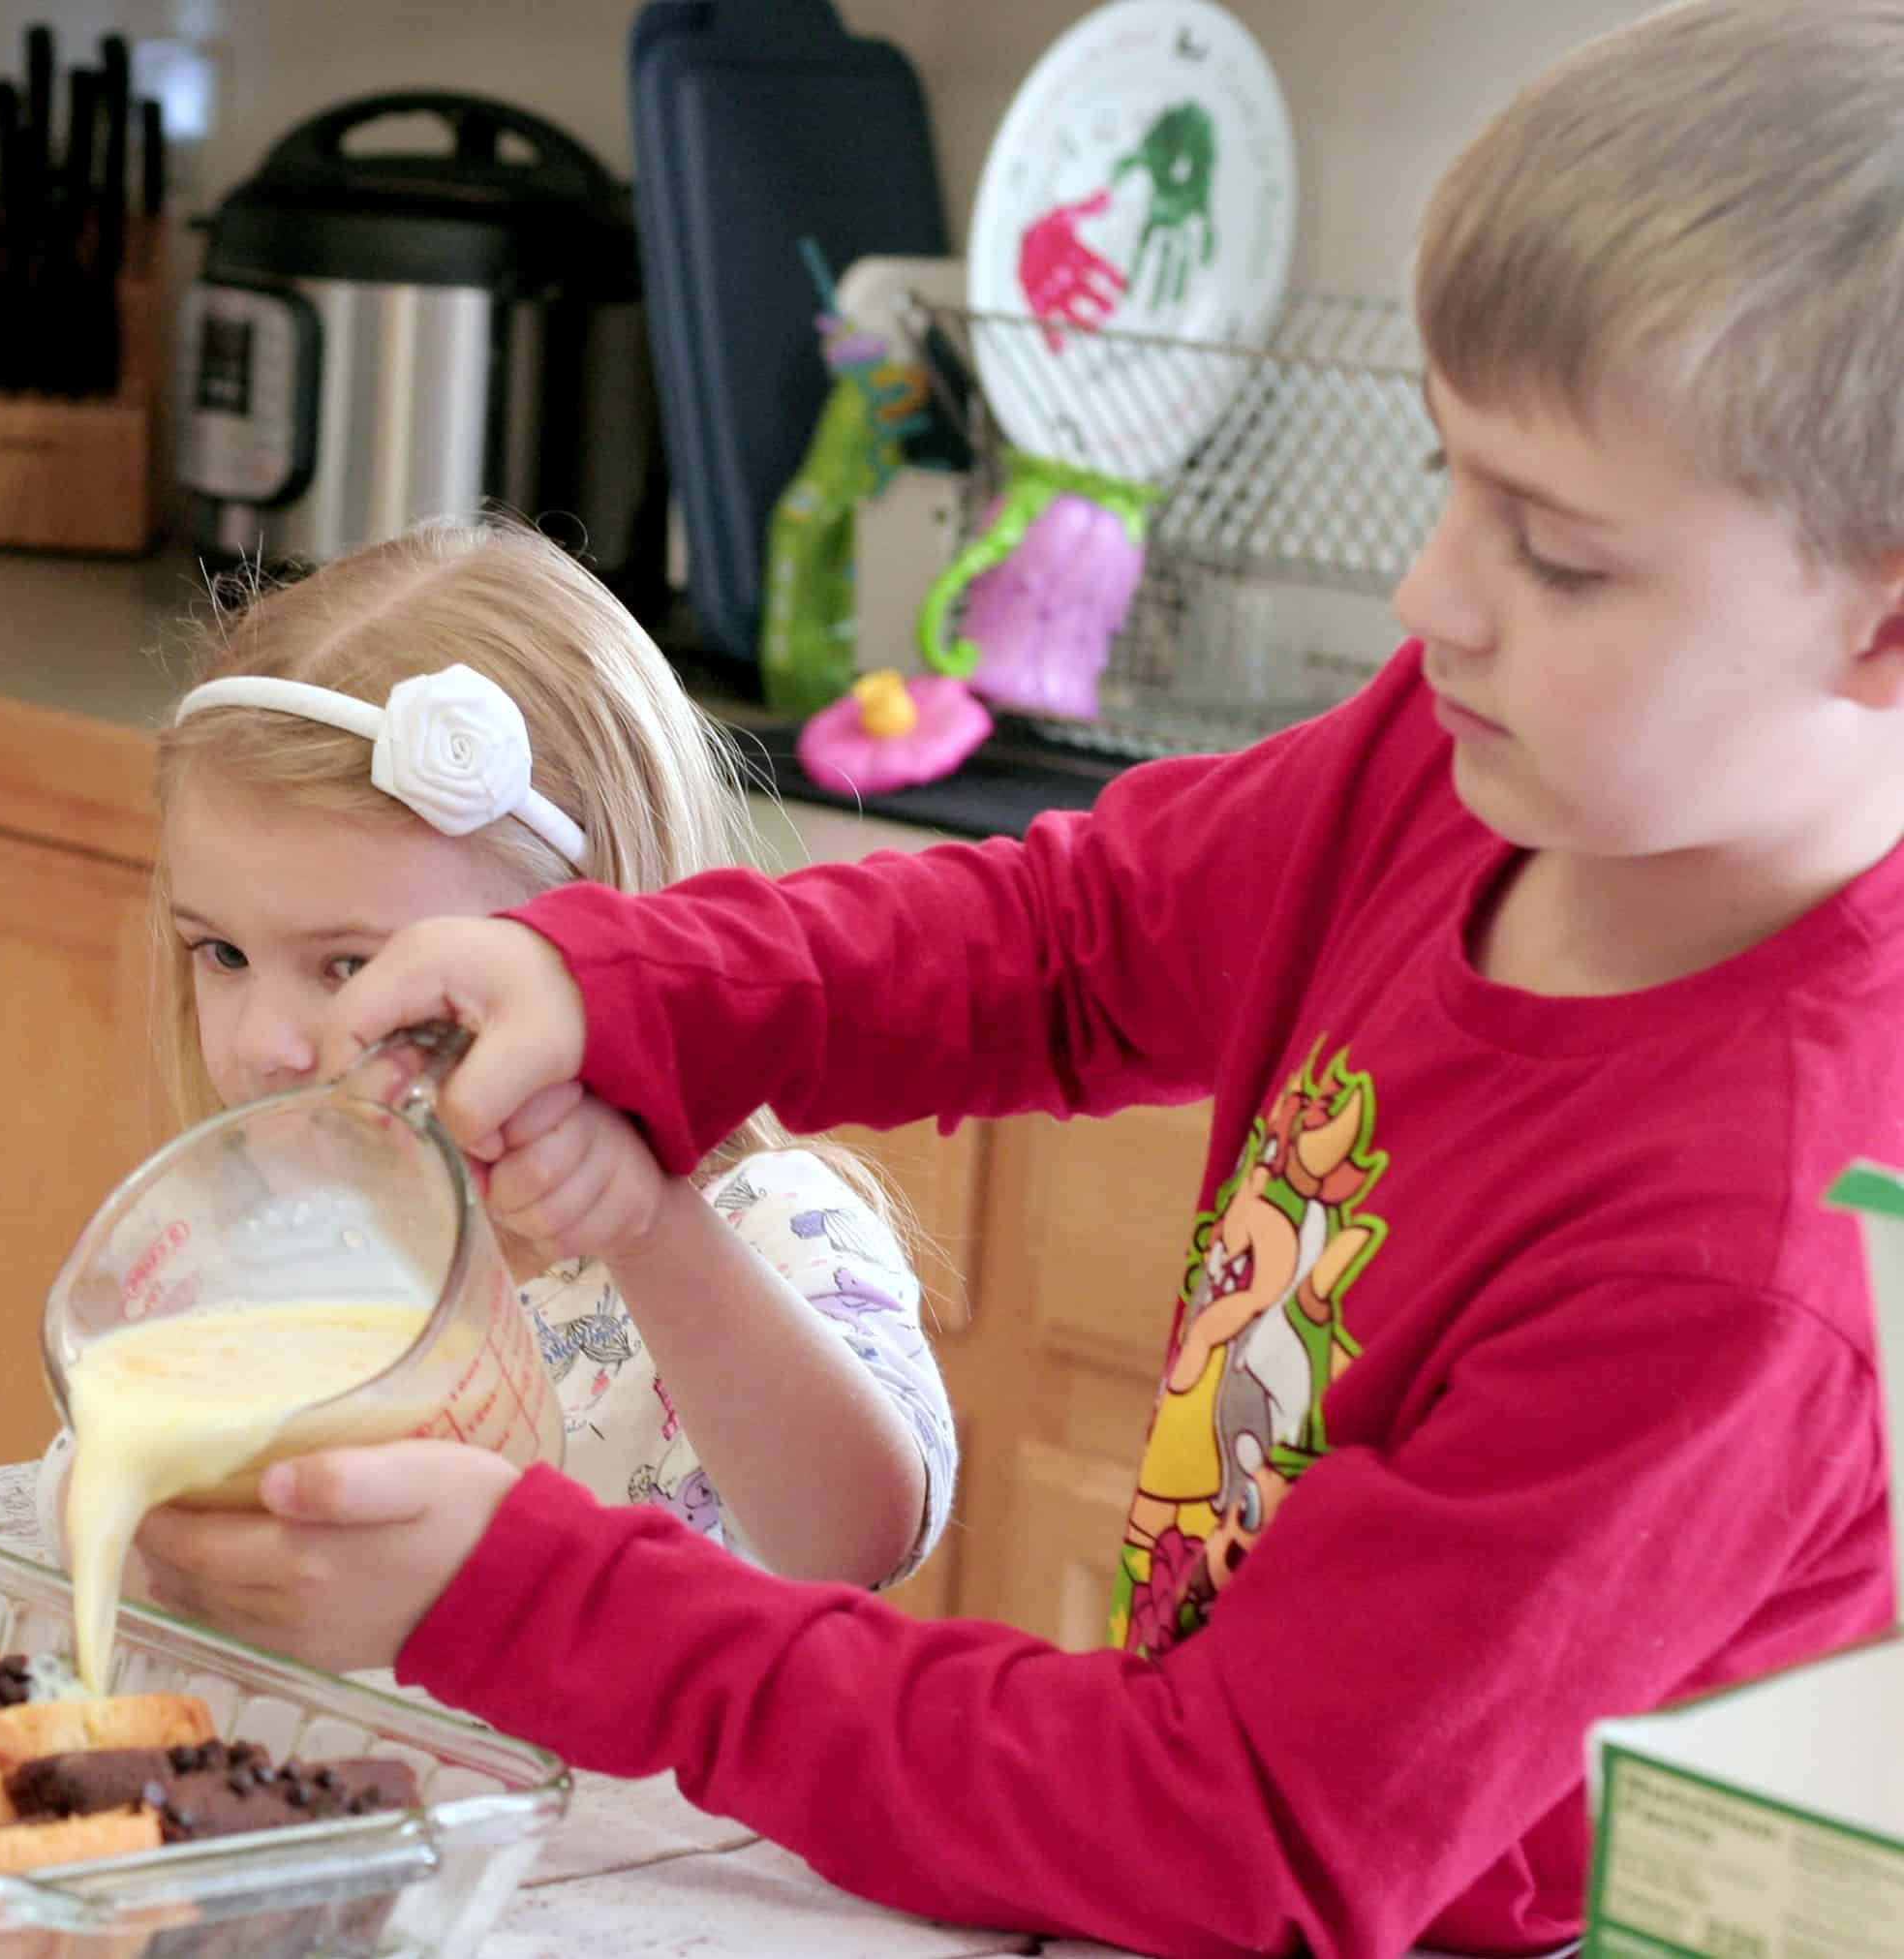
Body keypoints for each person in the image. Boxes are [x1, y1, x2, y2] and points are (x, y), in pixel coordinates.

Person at [130, 5, 1904, 1953]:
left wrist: (520, 1595)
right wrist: (641, 988)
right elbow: (1068, 944)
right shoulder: (1473, 769)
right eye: (1449, 477)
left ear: (1883, 617)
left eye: (1558, 556)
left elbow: (1235, 1830)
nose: (1433, 597)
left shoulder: (1743, 1254)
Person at [37, 516, 956, 1601]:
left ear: (599, 954)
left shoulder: (765, 1227)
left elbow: (857, 1538)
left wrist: (651, 1234)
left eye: (348, 969)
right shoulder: (268, 1244)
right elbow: (94, 1508)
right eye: (223, 951)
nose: (261, 1043)